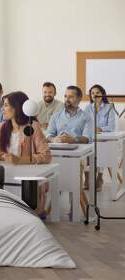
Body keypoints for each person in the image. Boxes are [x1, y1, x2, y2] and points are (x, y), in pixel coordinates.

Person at [0, 91, 52, 217]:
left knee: (24, 212)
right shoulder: (0, 128)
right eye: (3, 105)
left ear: (17, 108)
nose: (3, 109)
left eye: (6, 105)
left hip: (27, 178)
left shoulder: (33, 127)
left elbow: (46, 155)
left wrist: (20, 160)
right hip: (6, 176)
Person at [45, 85, 93, 217]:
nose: (67, 99)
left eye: (71, 96)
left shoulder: (86, 117)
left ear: (78, 99)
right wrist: (54, 139)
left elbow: (88, 138)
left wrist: (74, 140)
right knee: (49, 176)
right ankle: (47, 208)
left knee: (72, 176)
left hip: (76, 157)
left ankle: (74, 209)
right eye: (65, 96)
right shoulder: (56, 116)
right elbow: (48, 135)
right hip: (55, 156)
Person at [83, 84, 117, 190]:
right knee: (85, 149)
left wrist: (100, 129)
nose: (95, 95)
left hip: (104, 139)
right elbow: (84, 124)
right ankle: (87, 177)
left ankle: (100, 176)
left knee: (100, 148)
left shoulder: (109, 107)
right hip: (91, 138)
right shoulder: (87, 108)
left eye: (97, 93)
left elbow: (111, 127)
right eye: (92, 93)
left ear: (102, 94)